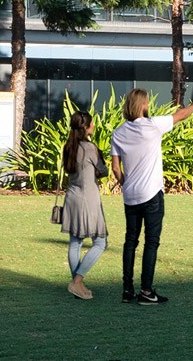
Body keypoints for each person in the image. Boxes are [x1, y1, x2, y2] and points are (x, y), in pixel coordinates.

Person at [107, 89, 193, 305]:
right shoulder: (153, 125)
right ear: (143, 104)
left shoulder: (118, 133)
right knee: (151, 242)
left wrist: (127, 184)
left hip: (130, 195)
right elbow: (181, 115)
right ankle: (146, 291)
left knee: (130, 241)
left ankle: (127, 290)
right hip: (152, 193)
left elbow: (116, 168)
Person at [59, 111, 109, 300]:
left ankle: (77, 285)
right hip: (89, 199)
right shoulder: (90, 148)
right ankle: (77, 281)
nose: (94, 125)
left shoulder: (68, 147)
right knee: (100, 242)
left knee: (75, 243)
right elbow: (103, 170)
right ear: (85, 127)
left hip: (72, 197)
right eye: (91, 123)